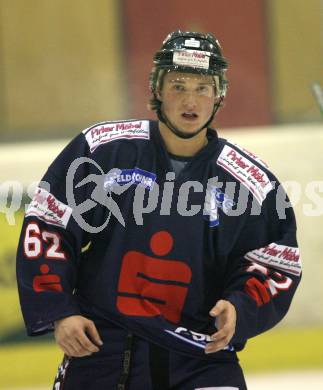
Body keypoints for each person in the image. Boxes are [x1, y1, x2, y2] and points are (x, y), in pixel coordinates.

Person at [16, 30, 302, 390]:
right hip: (103, 347)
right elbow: (48, 225)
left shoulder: (251, 182)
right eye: (178, 85)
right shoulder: (103, 150)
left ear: (219, 96)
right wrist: (59, 309)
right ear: (156, 90)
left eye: (203, 88)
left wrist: (240, 308)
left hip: (201, 355)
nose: (190, 100)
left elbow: (274, 261)